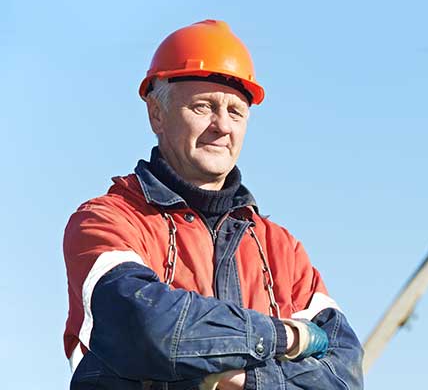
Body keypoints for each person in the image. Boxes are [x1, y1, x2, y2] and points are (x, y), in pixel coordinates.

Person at [62, 19, 363, 389]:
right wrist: (286, 338)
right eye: (203, 107)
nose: (222, 126)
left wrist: (243, 378)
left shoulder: (282, 251)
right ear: (157, 114)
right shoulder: (109, 221)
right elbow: (146, 328)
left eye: (235, 112)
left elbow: (344, 375)